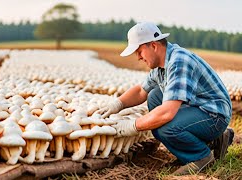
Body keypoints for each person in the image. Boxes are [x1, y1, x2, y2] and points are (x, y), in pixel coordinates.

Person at [95, 22, 234, 175]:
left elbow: (167, 113)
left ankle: (201, 157)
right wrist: (117, 104)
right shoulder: (160, 65)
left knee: (164, 127)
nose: (138, 57)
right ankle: (215, 140)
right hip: (199, 108)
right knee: (154, 95)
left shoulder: (179, 61)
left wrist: (131, 126)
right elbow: (141, 91)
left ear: (153, 46)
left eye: (139, 51)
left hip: (215, 115)